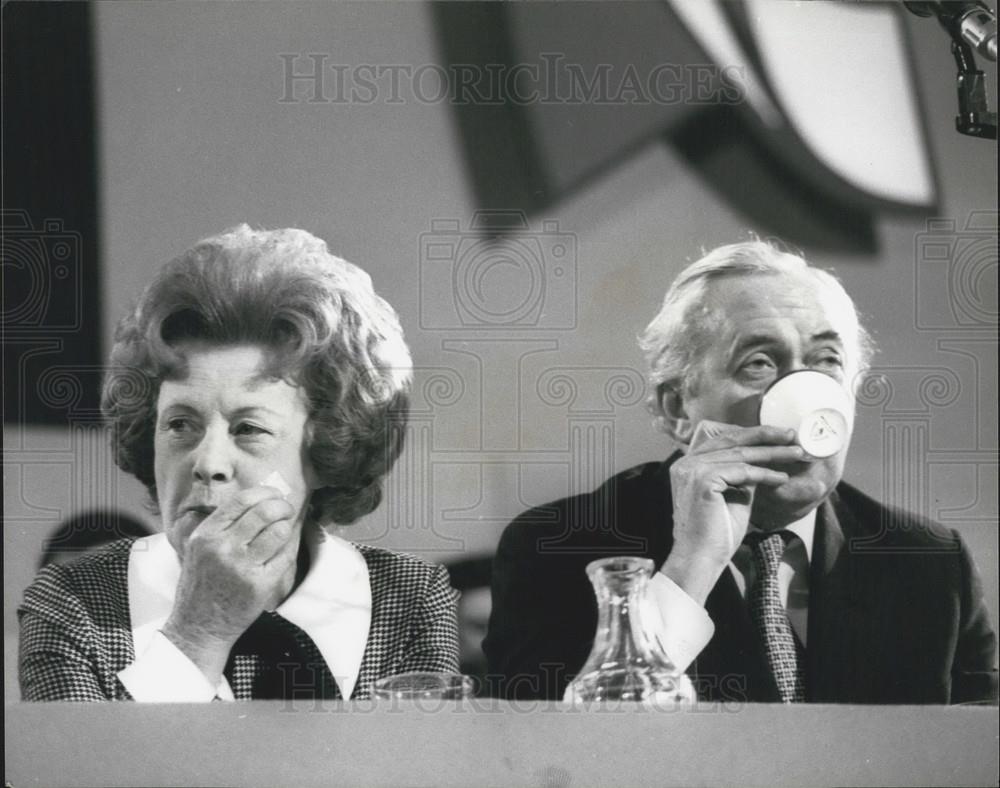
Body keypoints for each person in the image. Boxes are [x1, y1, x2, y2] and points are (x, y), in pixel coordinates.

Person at [484, 240, 998, 704]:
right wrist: (691, 565)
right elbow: (554, 766)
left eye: (825, 362)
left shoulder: (930, 565)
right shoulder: (556, 547)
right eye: (758, 363)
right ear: (676, 409)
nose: (802, 399)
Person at [19, 225, 459, 701]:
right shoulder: (73, 600)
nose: (208, 463)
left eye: (249, 429)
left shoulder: (409, 598)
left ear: (326, 450)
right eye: (180, 425)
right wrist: (199, 633)